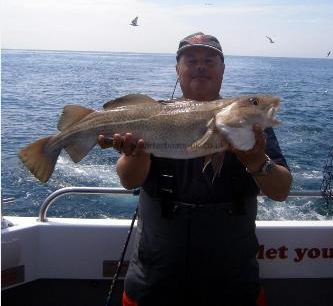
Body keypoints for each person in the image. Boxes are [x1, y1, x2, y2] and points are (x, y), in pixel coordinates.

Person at [98, 32, 292, 306]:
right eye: (191, 60)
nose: (201, 66)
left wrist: (256, 161)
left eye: (210, 60)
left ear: (223, 70)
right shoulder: (152, 116)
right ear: (177, 69)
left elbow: (282, 190)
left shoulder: (252, 125)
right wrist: (136, 153)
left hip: (234, 288)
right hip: (155, 285)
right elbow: (129, 181)